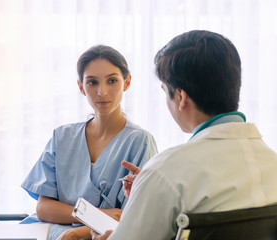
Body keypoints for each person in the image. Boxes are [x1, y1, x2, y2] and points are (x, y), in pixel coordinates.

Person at [91, 30, 277, 240]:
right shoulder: (272, 163)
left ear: (181, 97)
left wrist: (152, 189)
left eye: (164, 90)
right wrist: (148, 194)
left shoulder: (165, 172)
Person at [20, 45, 158, 240]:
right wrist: (97, 216)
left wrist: (77, 231)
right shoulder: (62, 137)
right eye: (92, 82)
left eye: (112, 81)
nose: (102, 92)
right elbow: (44, 208)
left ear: (127, 83)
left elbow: (132, 216)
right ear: (81, 87)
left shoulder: (139, 141)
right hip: (48, 233)